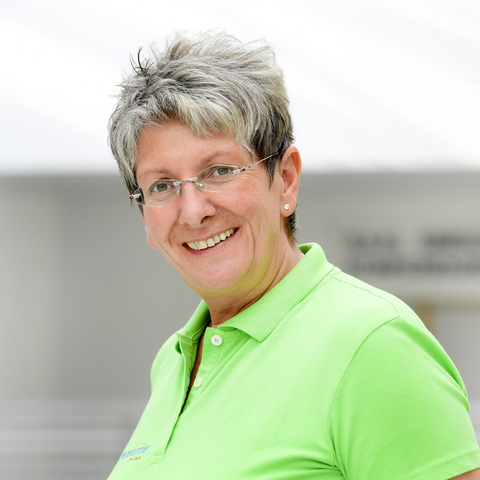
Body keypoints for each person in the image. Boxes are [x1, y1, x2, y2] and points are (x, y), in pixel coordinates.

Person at [107, 31, 480, 480]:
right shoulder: (172, 361)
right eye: (162, 185)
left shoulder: (372, 343)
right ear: (144, 216)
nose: (192, 211)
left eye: (220, 170)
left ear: (285, 180)